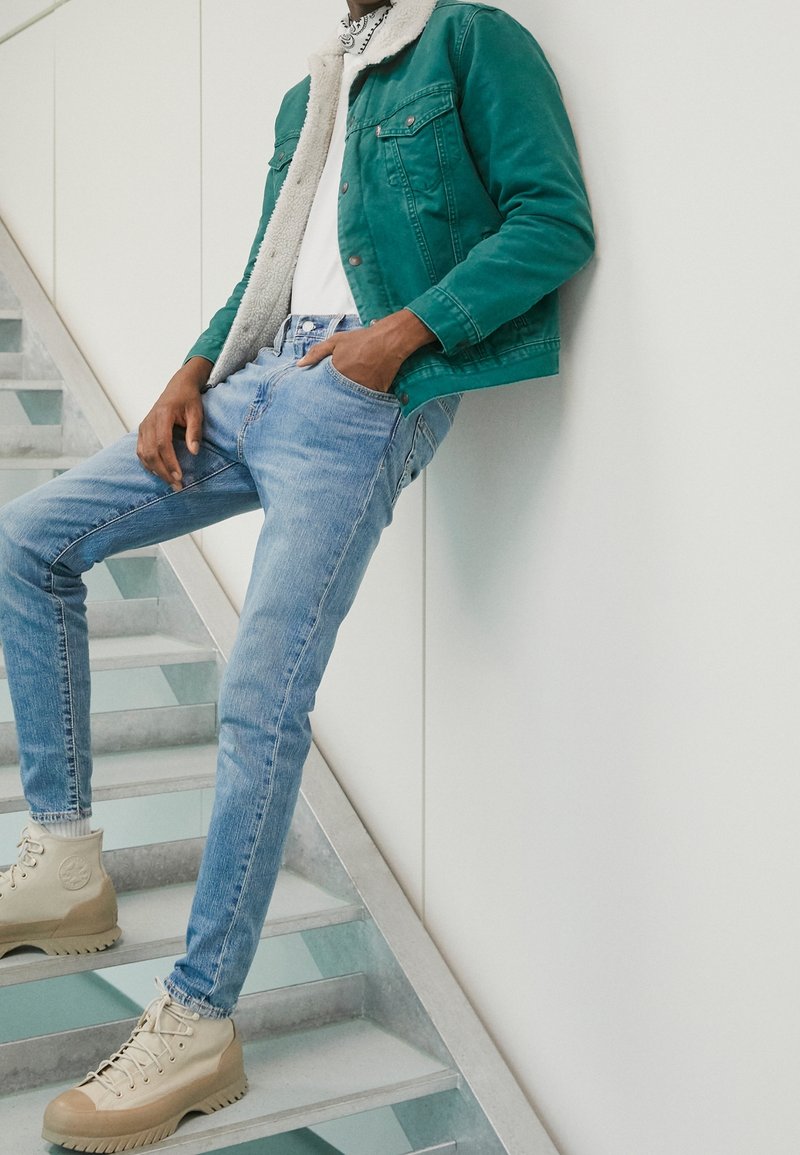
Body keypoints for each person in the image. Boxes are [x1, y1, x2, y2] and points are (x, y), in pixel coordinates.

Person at [0, 0, 595, 1149]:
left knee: (258, 694)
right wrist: (186, 369)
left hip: (354, 396)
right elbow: (270, 262)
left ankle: (198, 1020)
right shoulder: (314, 82)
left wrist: (394, 340)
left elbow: (551, 222)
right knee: (30, 539)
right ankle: (67, 857)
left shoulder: (468, 39)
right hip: (256, 376)